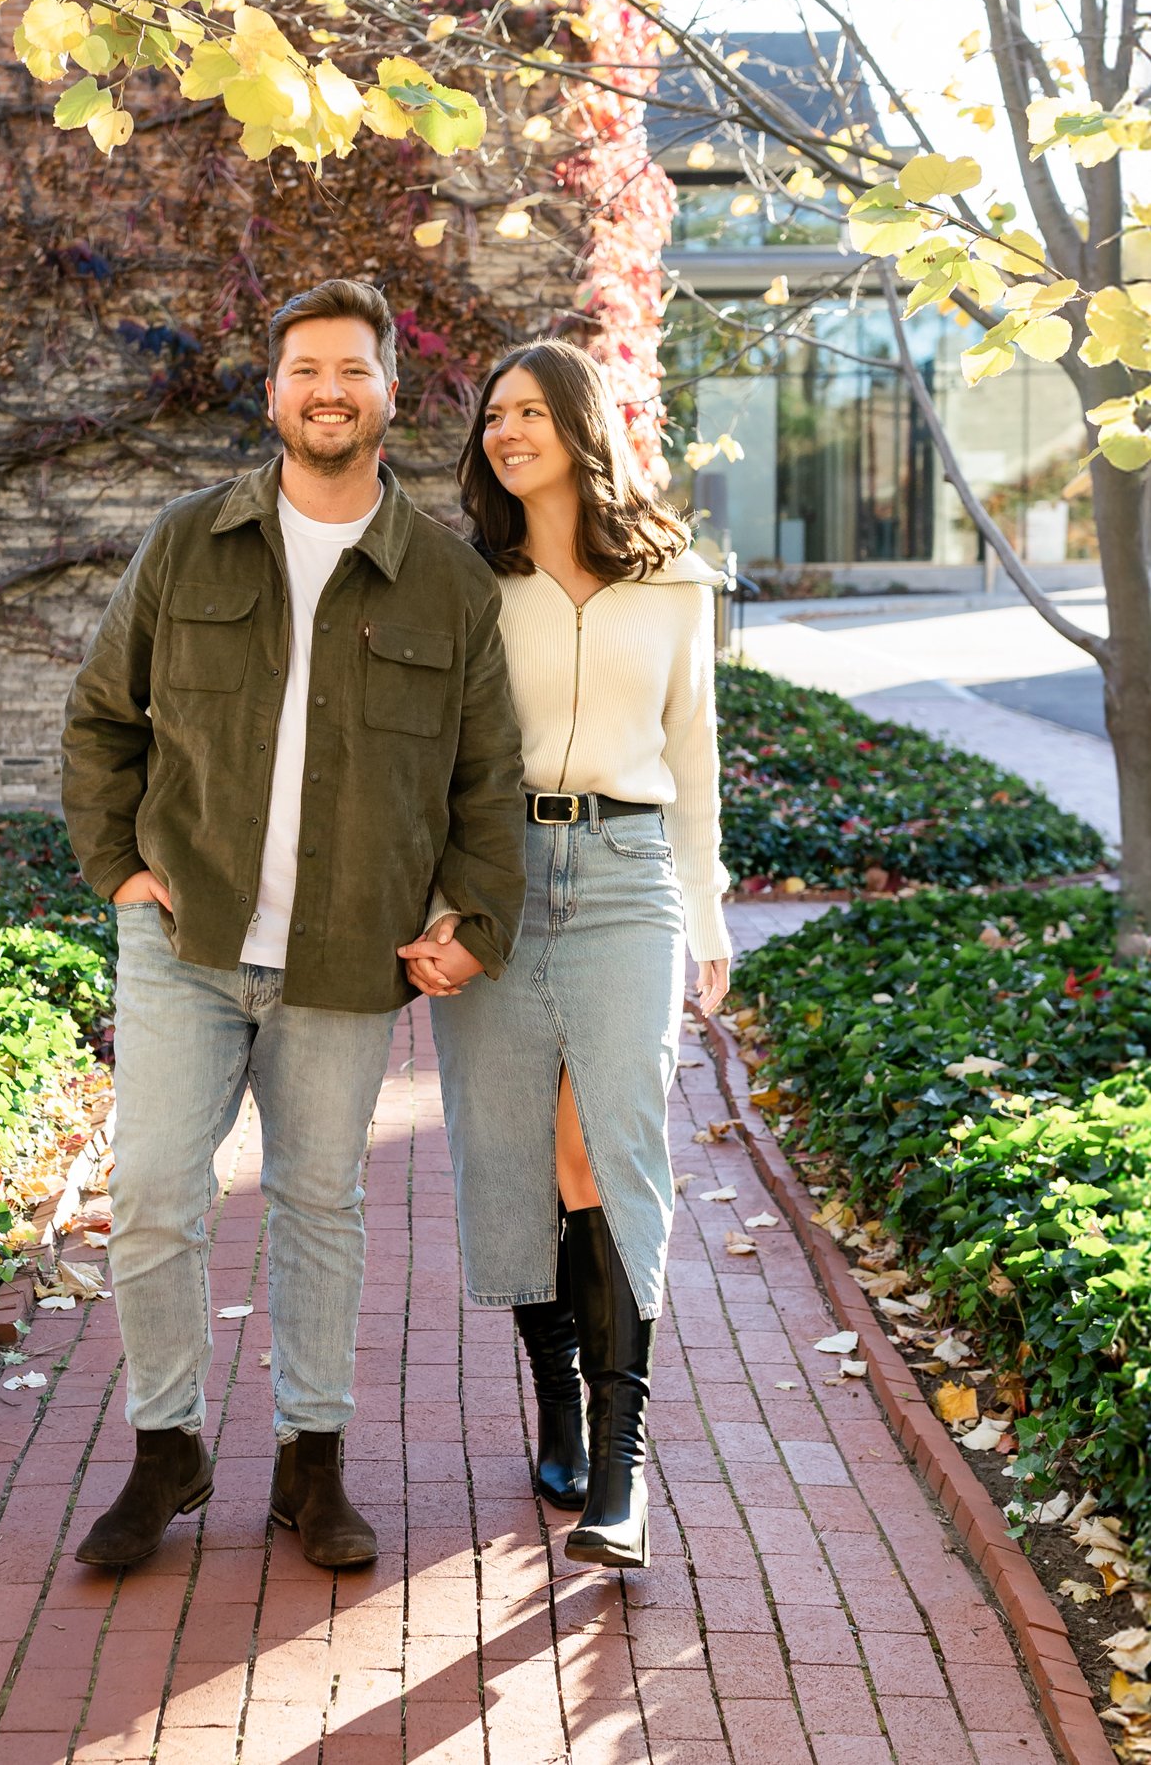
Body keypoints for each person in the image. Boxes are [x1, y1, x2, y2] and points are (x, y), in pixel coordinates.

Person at [61, 276, 525, 1572]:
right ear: (272, 395)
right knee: (153, 1195)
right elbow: (103, 717)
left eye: (352, 370)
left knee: (319, 1206)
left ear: (389, 394)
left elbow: (486, 782)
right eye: (304, 369)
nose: (328, 390)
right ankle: (167, 1448)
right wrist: (116, 868)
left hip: (344, 957)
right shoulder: (185, 541)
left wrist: (474, 916)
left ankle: (308, 1466)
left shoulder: (443, 584)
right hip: (186, 941)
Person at [397, 338, 732, 1570]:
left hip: (627, 878)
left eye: (530, 410)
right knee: (513, 1161)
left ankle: (621, 1468)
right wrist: (438, 902)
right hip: (496, 880)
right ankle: (555, 1405)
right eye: (493, 414)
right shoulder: (468, 582)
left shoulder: (674, 583)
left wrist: (708, 917)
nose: (505, 430)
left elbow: (691, 759)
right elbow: (432, 765)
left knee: (606, 1153)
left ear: (582, 425)